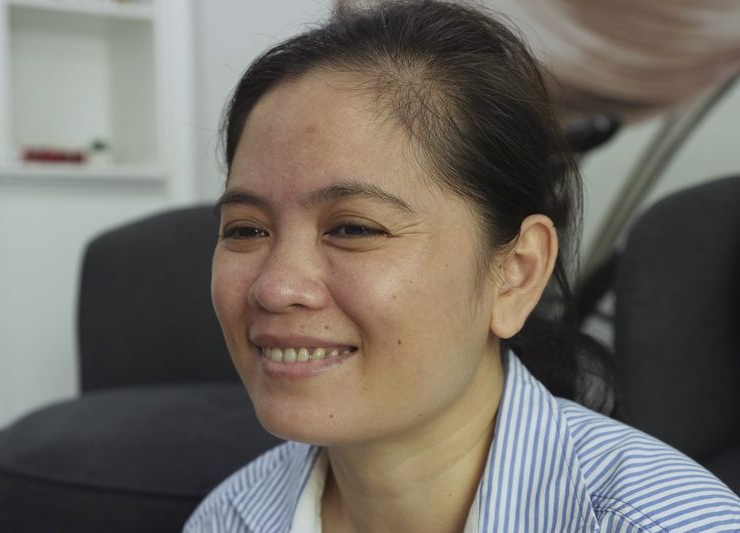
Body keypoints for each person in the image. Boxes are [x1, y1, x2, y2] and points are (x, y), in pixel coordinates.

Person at [184, 1, 740, 531]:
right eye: (246, 230)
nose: (277, 287)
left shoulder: (661, 523)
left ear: (517, 272)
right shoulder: (229, 518)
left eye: (354, 228)